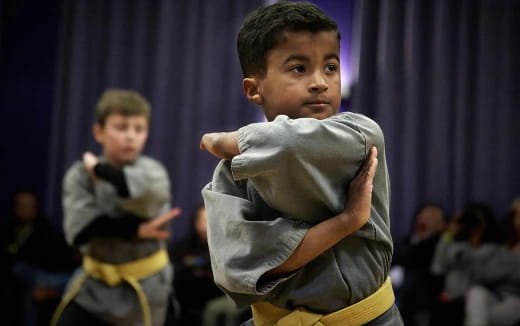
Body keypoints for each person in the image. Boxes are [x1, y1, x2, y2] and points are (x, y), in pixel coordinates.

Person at [200, 1, 402, 325]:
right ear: (254, 89)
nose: (320, 82)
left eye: (331, 67)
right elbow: (241, 267)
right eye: (299, 68)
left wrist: (234, 140)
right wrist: (346, 221)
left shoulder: (359, 135)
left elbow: (292, 142)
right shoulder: (231, 174)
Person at [52, 89, 181, 326]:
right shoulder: (79, 175)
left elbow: (146, 199)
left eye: (139, 129)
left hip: (147, 286)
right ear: (99, 132)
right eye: (121, 128)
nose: (131, 136)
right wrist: (136, 230)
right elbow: (83, 228)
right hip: (95, 284)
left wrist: (102, 172)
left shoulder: (154, 172)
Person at [1, 190, 77, 326]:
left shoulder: (45, 230)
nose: (25, 210)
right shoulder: (9, 229)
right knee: (23, 282)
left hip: (52, 278)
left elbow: (54, 262)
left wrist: (49, 289)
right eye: (21, 206)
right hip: (25, 280)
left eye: (29, 206)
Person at [430, 202, 499, 326]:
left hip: (470, 302)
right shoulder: (456, 246)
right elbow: (437, 268)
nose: (474, 227)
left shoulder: (493, 249)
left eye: (478, 222)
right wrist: (448, 234)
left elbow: (482, 276)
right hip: (447, 300)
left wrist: (475, 242)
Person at [464, 197, 520, 326]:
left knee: (476, 317)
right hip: (496, 296)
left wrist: (502, 271)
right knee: (476, 293)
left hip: (516, 300)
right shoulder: (502, 247)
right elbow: (484, 275)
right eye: (517, 215)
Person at [391, 203, 447, 326]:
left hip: (418, 294)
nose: (425, 219)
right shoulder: (402, 241)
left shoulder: (439, 245)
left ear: (441, 225)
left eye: (431, 217)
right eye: (423, 215)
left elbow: (423, 261)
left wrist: (423, 238)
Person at [170, 204, 224, 325]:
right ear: (195, 221)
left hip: (213, 297)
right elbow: (174, 268)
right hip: (185, 298)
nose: (205, 225)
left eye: (210, 220)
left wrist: (194, 262)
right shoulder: (184, 245)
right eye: (202, 220)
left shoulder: (223, 247)